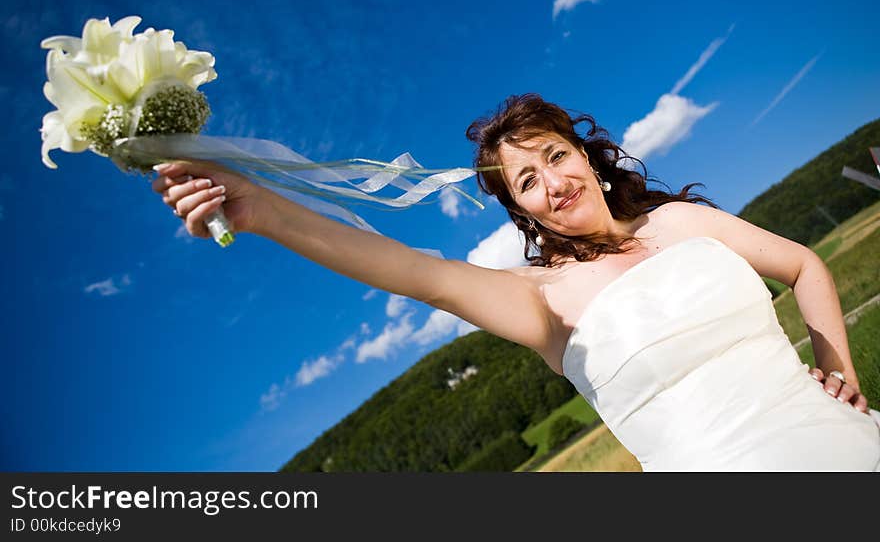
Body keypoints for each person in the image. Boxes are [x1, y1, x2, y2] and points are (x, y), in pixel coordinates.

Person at [152, 93, 880, 471]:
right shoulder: (541, 302)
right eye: (527, 180)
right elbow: (418, 274)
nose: (553, 182)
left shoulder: (686, 224)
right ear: (521, 210)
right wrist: (264, 210)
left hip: (847, 442)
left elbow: (804, 265)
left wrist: (837, 370)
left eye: (556, 156)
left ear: (587, 157)